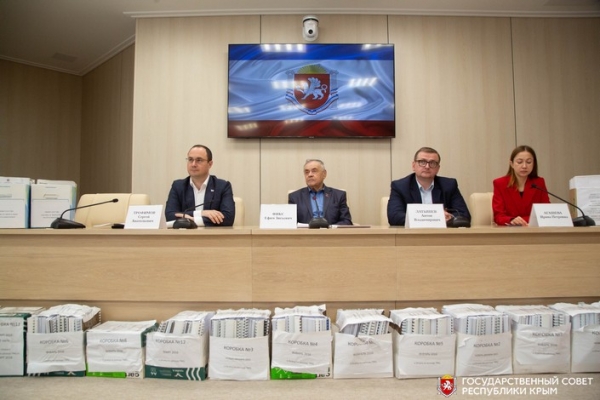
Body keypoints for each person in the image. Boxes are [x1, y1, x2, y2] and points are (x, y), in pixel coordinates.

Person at [387, 147, 470, 226]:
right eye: (422, 162)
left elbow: (464, 215)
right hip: (412, 234)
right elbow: (394, 217)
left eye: (432, 163)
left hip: (442, 234)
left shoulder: (449, 185)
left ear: (438, 168)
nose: (427, 167)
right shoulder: (400, 186)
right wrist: (436, 217)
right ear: (413, 165)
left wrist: (450, 217)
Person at [165, 144, 235, 226]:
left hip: (212, 234)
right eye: (190, 159)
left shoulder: (222, 186)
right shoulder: (178, 186)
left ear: (210, 164)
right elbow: (170, 215)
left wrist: (193, 220)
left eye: (199, 160)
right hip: (185, 234)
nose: (193, 164)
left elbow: (228, 218)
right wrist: (201, 213)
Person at [492, 145, 550, 226]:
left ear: (534, 164)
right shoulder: (500, 183)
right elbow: (498, 216)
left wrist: (522, 220)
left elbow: (545, 212)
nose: (524, 166)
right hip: (510, 230)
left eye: (529, 162)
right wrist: (512, 220)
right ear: (511, 164)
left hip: (534, 229)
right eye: (519, 162)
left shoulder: (539, 183)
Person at [288, 159, 352, 225]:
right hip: (305, 231)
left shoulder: (339, 195)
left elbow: (346, 221)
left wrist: (330, 228)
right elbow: (290, 223)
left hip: (331, 231)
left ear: (324, 174)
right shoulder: (294, 197)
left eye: (314, 171)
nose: (310, 175)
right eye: (307, 172)